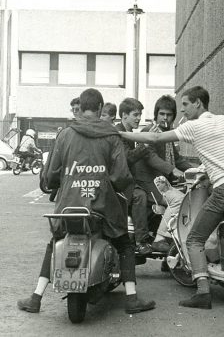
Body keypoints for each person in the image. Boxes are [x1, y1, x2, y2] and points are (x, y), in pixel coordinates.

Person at [17, 88, 155, 314]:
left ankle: (36, 297)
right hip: (103, 206)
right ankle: (131, 298)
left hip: (69, 206)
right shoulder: (111, 135)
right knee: (124, 244)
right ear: (100, 109)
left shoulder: (65, 134)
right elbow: (121, 176)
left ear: (80, 108)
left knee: (55, 242)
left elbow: (51, 175)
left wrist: (60, 183)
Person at [120, 86, 224, 309]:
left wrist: (120, 133)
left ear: (198, 104)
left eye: (185, 105)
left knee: (194, 239)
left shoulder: (194, 126)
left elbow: (154, 137)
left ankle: (203, 292)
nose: (182, 111)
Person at [134, 95, 192, 253]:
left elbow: (178, 159)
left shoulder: (167, 134)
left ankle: (172, 249)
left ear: (174, 116)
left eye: (169, 115)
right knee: (179, 203)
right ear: (156, 114)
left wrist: (196, 170)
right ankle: (160, 239)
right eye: (162, 114)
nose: (165, 118)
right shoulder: (149, 131)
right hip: (148, 183)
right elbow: (150, 156)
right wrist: (172, 170)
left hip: (161, 183)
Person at [115, 98, 154, 254]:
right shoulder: (119, 133)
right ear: (124, 115)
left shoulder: (128, 133)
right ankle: (141, 241)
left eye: (140, 115)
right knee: (140, 196)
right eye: (135, 115)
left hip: (125, 180)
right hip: (119, 183)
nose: (139, 118)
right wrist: (146, 144)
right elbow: (128, 158)